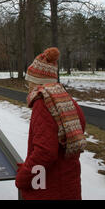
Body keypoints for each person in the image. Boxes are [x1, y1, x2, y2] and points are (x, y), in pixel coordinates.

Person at [15, 47, 87, 200]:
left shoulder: (43, 104)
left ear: (37, 83)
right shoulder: (68, 101)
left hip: (49, 188)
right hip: (69, 184)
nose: (28, 87)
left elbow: (45, 153)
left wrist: (23, 178)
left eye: (30, 82)